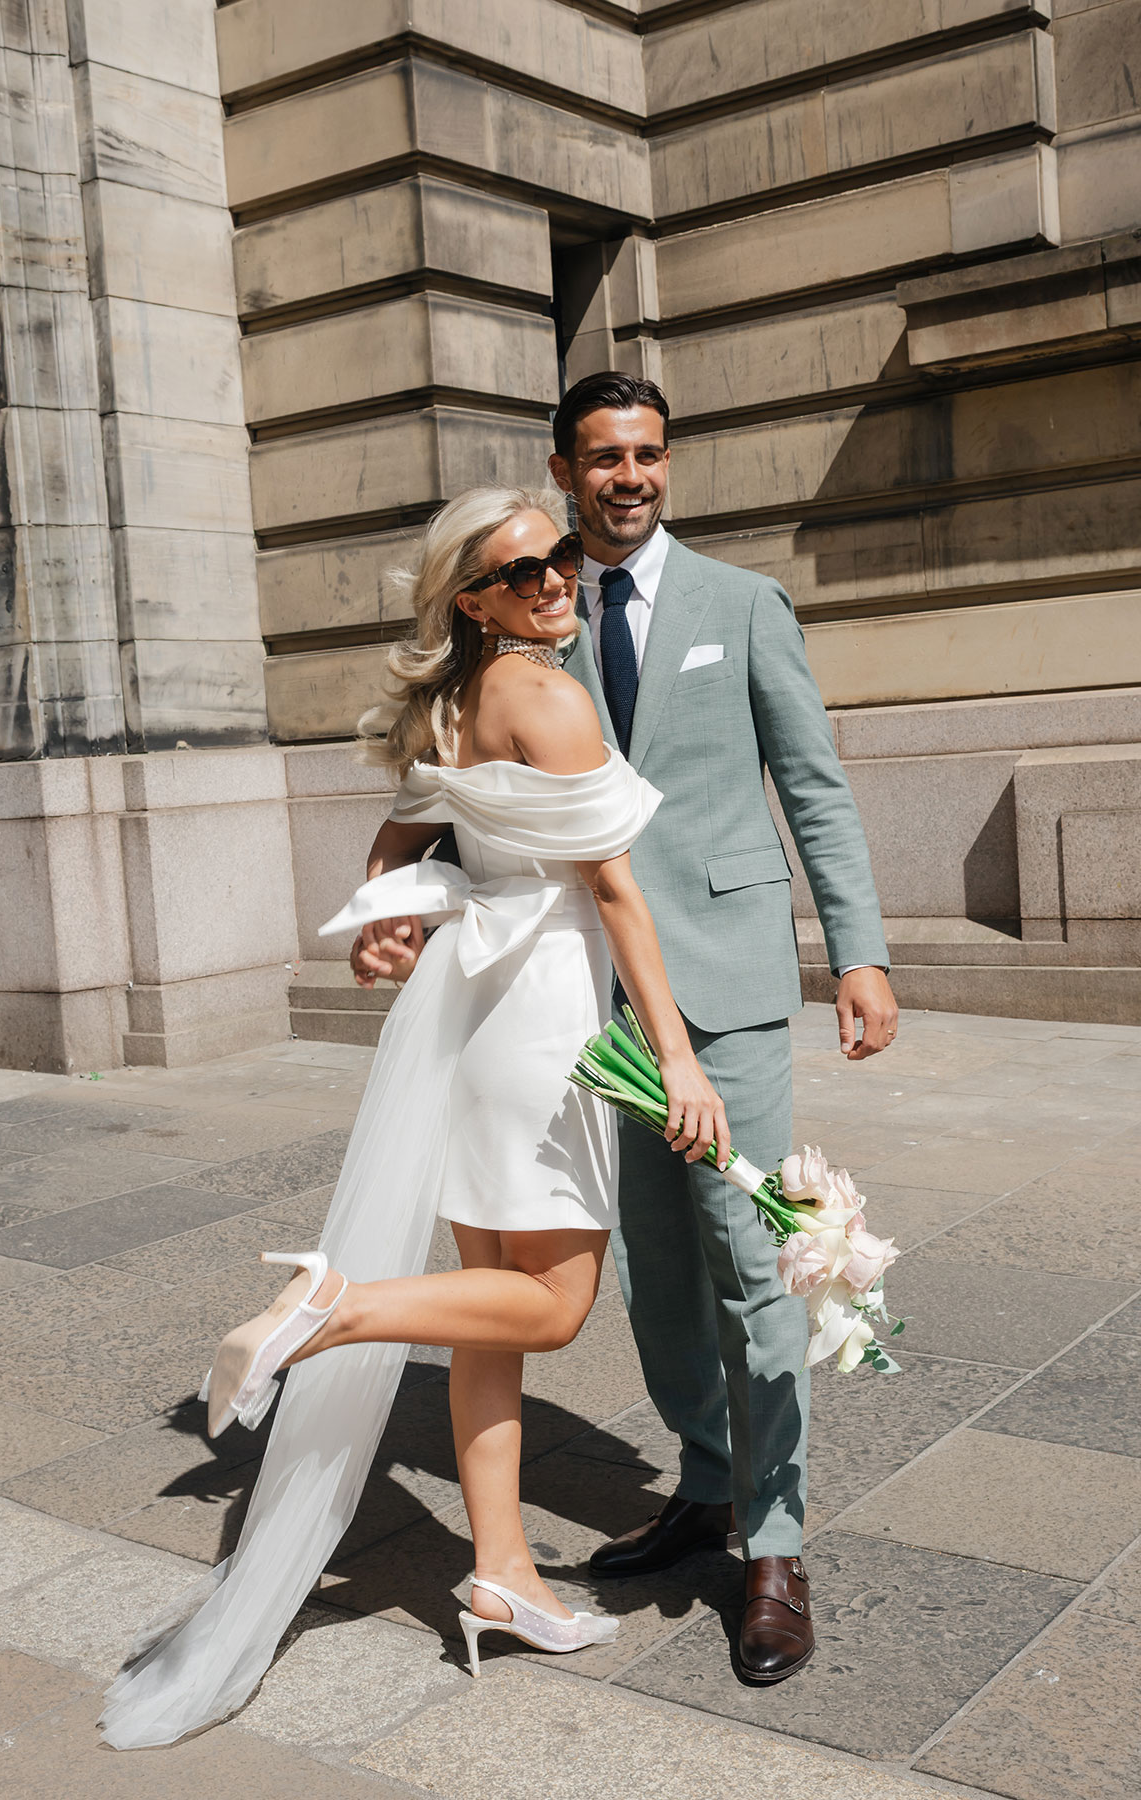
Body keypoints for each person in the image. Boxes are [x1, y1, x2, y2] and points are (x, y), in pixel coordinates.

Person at [99, 485, 733, 1749]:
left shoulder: (451, 700)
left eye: (560, 556)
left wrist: (389, 912)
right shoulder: (544, 695)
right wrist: (678, 1058)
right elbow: (614, 893)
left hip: (468, 1020)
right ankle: (335, 1310)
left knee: (490, 1312)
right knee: (548, 1309)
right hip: (545, 1016)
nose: (558, 577)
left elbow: (401, 835)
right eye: (525, 570)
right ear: (473, 598)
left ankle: (500, 1570)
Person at [543, 371, 897, 1684]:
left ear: (667, 464)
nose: (627, 476)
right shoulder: (541, 612)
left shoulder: (742, 605)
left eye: (645, 455)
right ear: (566, 469)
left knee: (755, 1266)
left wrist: (856, 950)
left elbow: (813, 784)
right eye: (602, 457)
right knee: (654, 1268)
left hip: (733, 992)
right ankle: (705, 1479)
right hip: (601, 1009)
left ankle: (778, 1539)